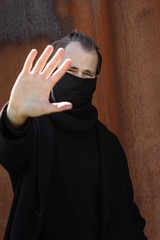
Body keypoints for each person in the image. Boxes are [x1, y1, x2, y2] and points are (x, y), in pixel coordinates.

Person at [0, 31, 147, 240]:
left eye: (88, 74)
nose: (79, 79)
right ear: (54, 71)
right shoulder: (35, 128)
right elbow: (9, 152)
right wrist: (15, 113)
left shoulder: (108, 143)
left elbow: (128, 215)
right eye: (71, 70)